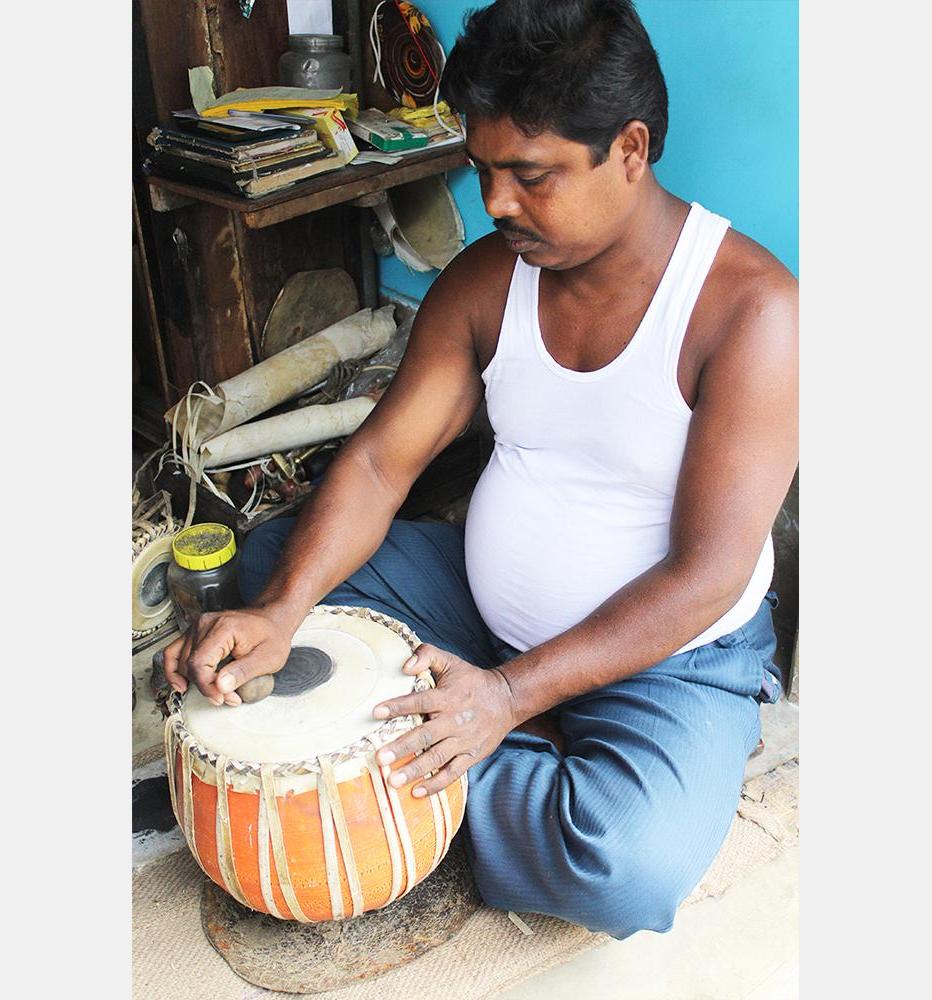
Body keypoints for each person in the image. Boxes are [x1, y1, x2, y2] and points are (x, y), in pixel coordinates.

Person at [163, 0, 798, 940]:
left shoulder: (751, 311)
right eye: (484, 170)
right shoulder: (488, 278)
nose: (496, 201)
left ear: (629, 148)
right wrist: (282, 613)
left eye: (529, 175)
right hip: (474, 605)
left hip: (669, 659)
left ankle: (429, 743)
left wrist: (506, 696)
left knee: (622, 867)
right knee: (272, 570)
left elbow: (706, 576)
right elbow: (381, 462)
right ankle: (461, 730)